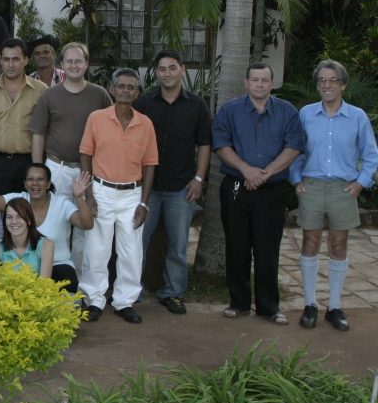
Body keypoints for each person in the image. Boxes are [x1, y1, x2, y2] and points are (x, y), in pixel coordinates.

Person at [289, 60, 378, 332]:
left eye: (332, 80)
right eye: (322, 80)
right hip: (312, 186)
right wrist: (296, 179)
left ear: (343, 85)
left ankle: (336, 306)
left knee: (339, 245)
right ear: (318, 85)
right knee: (310, 242)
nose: (327, 85)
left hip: (343, 188)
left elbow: (371, 155)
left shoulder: (357, 117)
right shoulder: (306, 114)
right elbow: (295, 149)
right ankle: (310, 304)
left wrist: (360, 183)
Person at [213, 63, 303, 325]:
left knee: (267, 249)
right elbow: (221, 143)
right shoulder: (230, 110)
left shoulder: (287, 112)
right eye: (255, 80)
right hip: (237, 187)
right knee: (237, 247)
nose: (260, 84)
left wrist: (264, 173)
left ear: (272, 83)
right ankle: (238, 303)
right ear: (246, 83)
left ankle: (269, 307)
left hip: (272, 191)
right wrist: (246, 170)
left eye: (265, 80)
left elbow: (294, 146)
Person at [133, 49, 212, 315]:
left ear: (182, 69)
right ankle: (132, 289)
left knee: (178, 245)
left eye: (172, 68)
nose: (167, 73)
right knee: (137, 242)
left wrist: (199, 178)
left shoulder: (196, 105)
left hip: (181, 187)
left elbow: (204, 144)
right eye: (162, 69)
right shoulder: (144, 103)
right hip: (147, 188)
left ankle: (173, 293)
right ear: (156, 73)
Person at [78, 68, 158, 324]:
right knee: (96, 249)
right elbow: (85, 156)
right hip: (101, 190)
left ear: (137, 92)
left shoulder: (145, 124)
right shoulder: (97, 118)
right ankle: (94, 299)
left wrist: (144, 202)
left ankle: (124, 301)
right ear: (112, 89)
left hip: (131, 194)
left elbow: (150, 165)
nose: (125, 90)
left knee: (131, 250)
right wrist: (89, 194)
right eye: (121, 86)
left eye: (131, 87)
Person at [29, 42, 112, 273]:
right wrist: (38, 170)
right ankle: (54, 278)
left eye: (79, 61)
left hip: (89, 172)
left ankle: (80, 284)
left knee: (86, 228)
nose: (74, 65)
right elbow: (38, 133)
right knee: (57, 225)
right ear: (62, 64)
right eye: (69, 61)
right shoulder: (50, 95)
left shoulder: (100, 95)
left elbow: (110, 132)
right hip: (57, 169)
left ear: (86, 64)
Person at [0, 158, 92, 293]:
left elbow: (87, 224)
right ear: (25, 183)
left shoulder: (62, 203)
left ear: (48, 184)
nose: (35, 183)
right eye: (30, 179)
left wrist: (79, 197)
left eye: (40, 179)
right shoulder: (17, 200)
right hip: (24, 266)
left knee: (63, 279)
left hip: (57, 265)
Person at [0, 38, 48, 195]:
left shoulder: (41, 91)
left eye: (16, 59)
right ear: (0, 61)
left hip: (29, 162)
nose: (11, 64)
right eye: (6, 59)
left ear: (26, 60)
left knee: (28, 212)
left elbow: (49, 127)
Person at [0, 197, 54, 278]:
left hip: (35, 290)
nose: (14, 221)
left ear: (29, 220)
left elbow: (44, 285)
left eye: (19, 216)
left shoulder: (46, 245)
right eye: (9, 217)